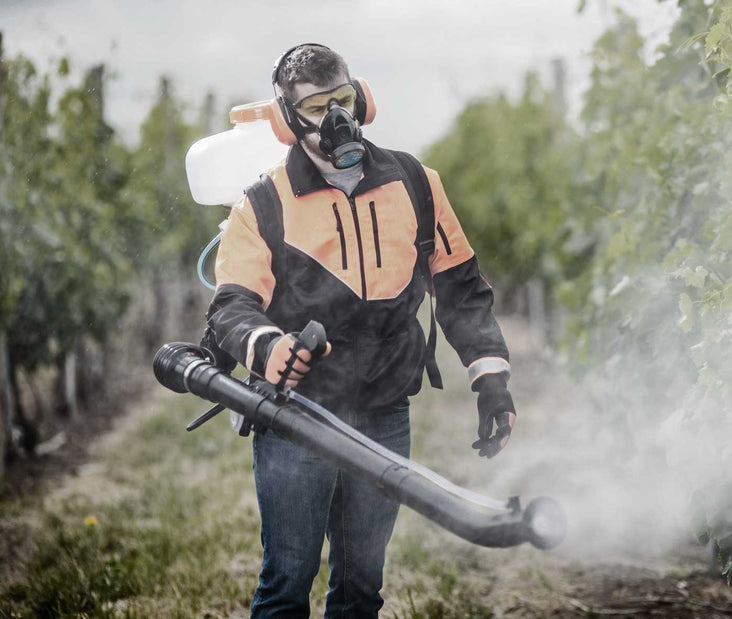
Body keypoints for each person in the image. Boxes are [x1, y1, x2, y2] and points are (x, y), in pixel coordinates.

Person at [205, 43, 516, 618]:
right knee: (286, 583)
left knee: (360, 587)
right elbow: (231, 306)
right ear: (287, 119)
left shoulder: (418, 184)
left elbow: (461, 289)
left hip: (384, 409)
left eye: (343, 100)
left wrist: (491, 376)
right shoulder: (262, 204)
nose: (337, 117)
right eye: (319, 108)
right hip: (295, 414)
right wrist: (268, 347)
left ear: (362, 99)